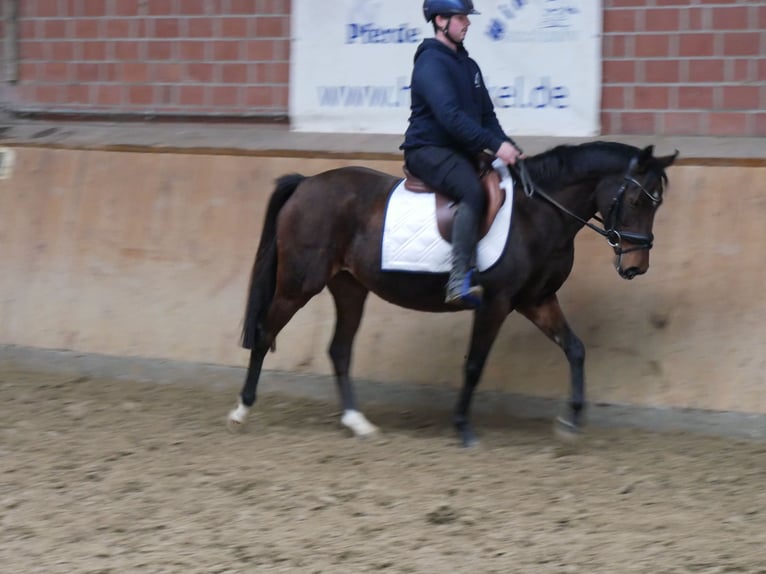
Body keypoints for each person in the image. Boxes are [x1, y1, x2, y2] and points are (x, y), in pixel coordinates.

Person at [401, 0, 522, 307]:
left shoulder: (469, 66)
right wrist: (494, 146)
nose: (467, 23)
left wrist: (508, 146)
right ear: (440, 20)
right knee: (472, 191)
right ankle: (458, 279)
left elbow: (487, 117)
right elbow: (451, 117)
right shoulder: (430, 63)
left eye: (467, 18)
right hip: (428, 150)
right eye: (461, 18)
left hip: (458, 150)